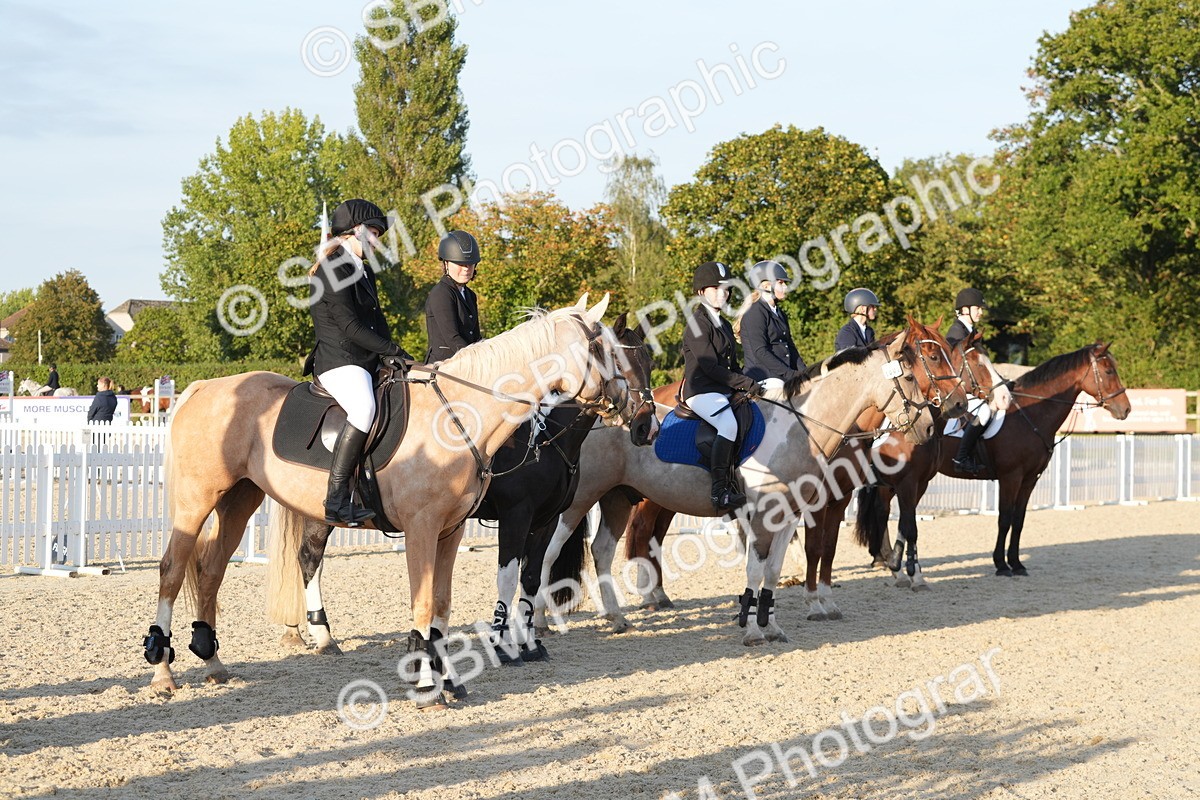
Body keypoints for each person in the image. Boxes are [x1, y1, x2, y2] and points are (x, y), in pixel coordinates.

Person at [304, 198, 412, 526]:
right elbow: (350, 327)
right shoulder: (333, 266)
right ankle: (337, 498)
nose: (378, 240)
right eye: (374, 232)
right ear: (353, 232)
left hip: (362, 359)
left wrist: (397, 355)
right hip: (340, 360)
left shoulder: (361, 269)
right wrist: (389, 348)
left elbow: (376, 324)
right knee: (364, 408)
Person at [682, 261, 762, 512]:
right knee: (728, 424)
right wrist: (742, 383)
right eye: (716, 288)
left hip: (721, 390)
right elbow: (711, 368)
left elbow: (733, 366)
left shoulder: (724, 325)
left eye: (726, 288)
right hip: (701, 391)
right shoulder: (697, 324)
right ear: (701, 292)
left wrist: (751, 385)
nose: (723, 293)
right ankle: (720, 492)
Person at [738, 260, 807, 383]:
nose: (785, 287)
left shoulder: (779, 313)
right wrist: (790, 374)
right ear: (765, 286)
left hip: (781, 375)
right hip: (763, 378)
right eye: (781, 283)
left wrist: (806, 374)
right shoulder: (754, 312)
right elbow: (760, 352)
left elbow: (790, 347)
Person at [947, 287, 990, 473]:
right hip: (960, 390)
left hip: (974, 388)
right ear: (965, 310)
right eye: (977, 308)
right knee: (986, 412)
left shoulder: (973, 332)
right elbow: (955, 367)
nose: (981, 311)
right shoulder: (956, 332)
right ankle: (961, 457)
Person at [425, 230, 483, 363]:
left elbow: (476, 336)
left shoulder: (470, 295)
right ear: (446, 264)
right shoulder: (441, 294)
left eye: (470, 264)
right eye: (460, 264)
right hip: (444, 366)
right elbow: (452, 337)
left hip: (466, 362)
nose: (466, 269)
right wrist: (478, 360)